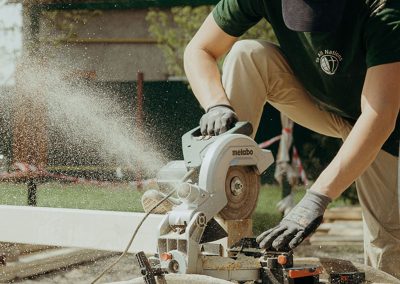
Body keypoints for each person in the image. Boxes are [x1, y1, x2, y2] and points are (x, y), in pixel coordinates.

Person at [183, 0, 400, 278]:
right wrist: (216, 104)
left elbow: (380, 116)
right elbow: (199, 49)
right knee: (246, 54)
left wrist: (317, 198)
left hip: (387, 124)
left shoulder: (384, 9)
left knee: (386, 240)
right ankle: (221, 197)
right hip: (328, 104)